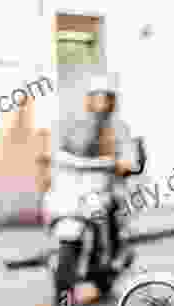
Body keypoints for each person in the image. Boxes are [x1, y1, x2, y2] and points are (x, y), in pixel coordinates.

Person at [59, 75, 140, 285]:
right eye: (96, 97)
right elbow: (64, 149)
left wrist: (126, 163)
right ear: (88, 100)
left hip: (110, 184)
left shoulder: (120, 128)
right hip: (81, 186)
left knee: (115, 210)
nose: (100, 103)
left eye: (105, 98)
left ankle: (114, 253)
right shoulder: (78, 127)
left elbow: (130, 155)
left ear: (112, 101)